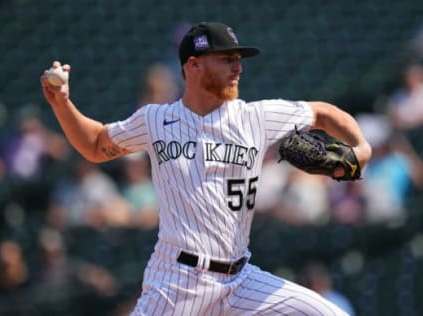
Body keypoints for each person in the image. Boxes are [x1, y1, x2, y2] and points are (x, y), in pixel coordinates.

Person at [41, 22, 371, 315]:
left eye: (239, 59)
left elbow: (323, 113)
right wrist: (62, 103)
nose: (238, 67)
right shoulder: (157, 120)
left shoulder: (256, 117)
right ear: (194, 65)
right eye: (227, 59)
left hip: (242, 279)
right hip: (178, 280)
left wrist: (361, 148)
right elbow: (97, 145)